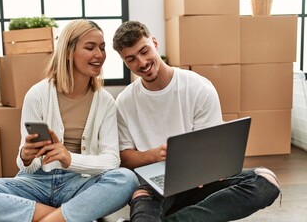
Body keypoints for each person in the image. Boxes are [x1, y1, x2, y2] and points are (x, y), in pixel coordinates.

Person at [0, 19, 138, 222]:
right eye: (90, 48)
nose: (99, 55)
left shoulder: (105, 101)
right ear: (68, 52)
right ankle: (68, 217)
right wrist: (26, 156)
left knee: (127, 179)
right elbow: (27, 167)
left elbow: (111, 161)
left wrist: (69, 158)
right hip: (35, 182)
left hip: (79, 183)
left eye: (102, 47)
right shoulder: (37, 94)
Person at [112, 20, 281, 222]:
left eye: (144, 51)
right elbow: (124, 157)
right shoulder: (124, 101)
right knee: (142, 195)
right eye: (130, 59)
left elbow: (212, 147)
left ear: (155, 43)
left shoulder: (198, 86)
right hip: (154, 186)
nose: (141, 62)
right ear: (124, 62)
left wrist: (205, 171)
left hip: (201, 182)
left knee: (266, 182)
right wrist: (154, 155)